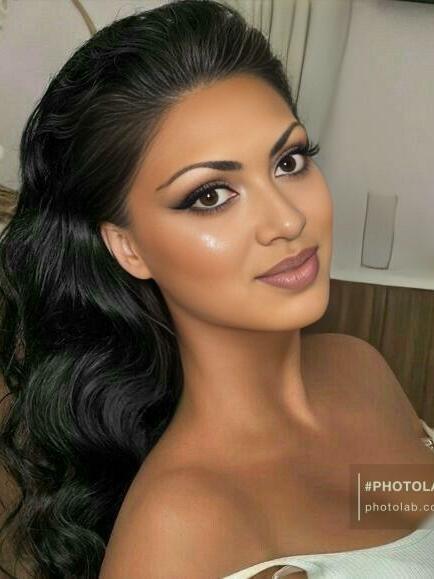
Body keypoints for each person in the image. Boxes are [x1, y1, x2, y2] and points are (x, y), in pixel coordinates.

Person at [0, 1, 433, 578]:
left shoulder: (358, 370)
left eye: (289, 162)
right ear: (128, 247)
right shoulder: (174, 530)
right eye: (210, 196)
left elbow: (395, 527)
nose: (288, 220)